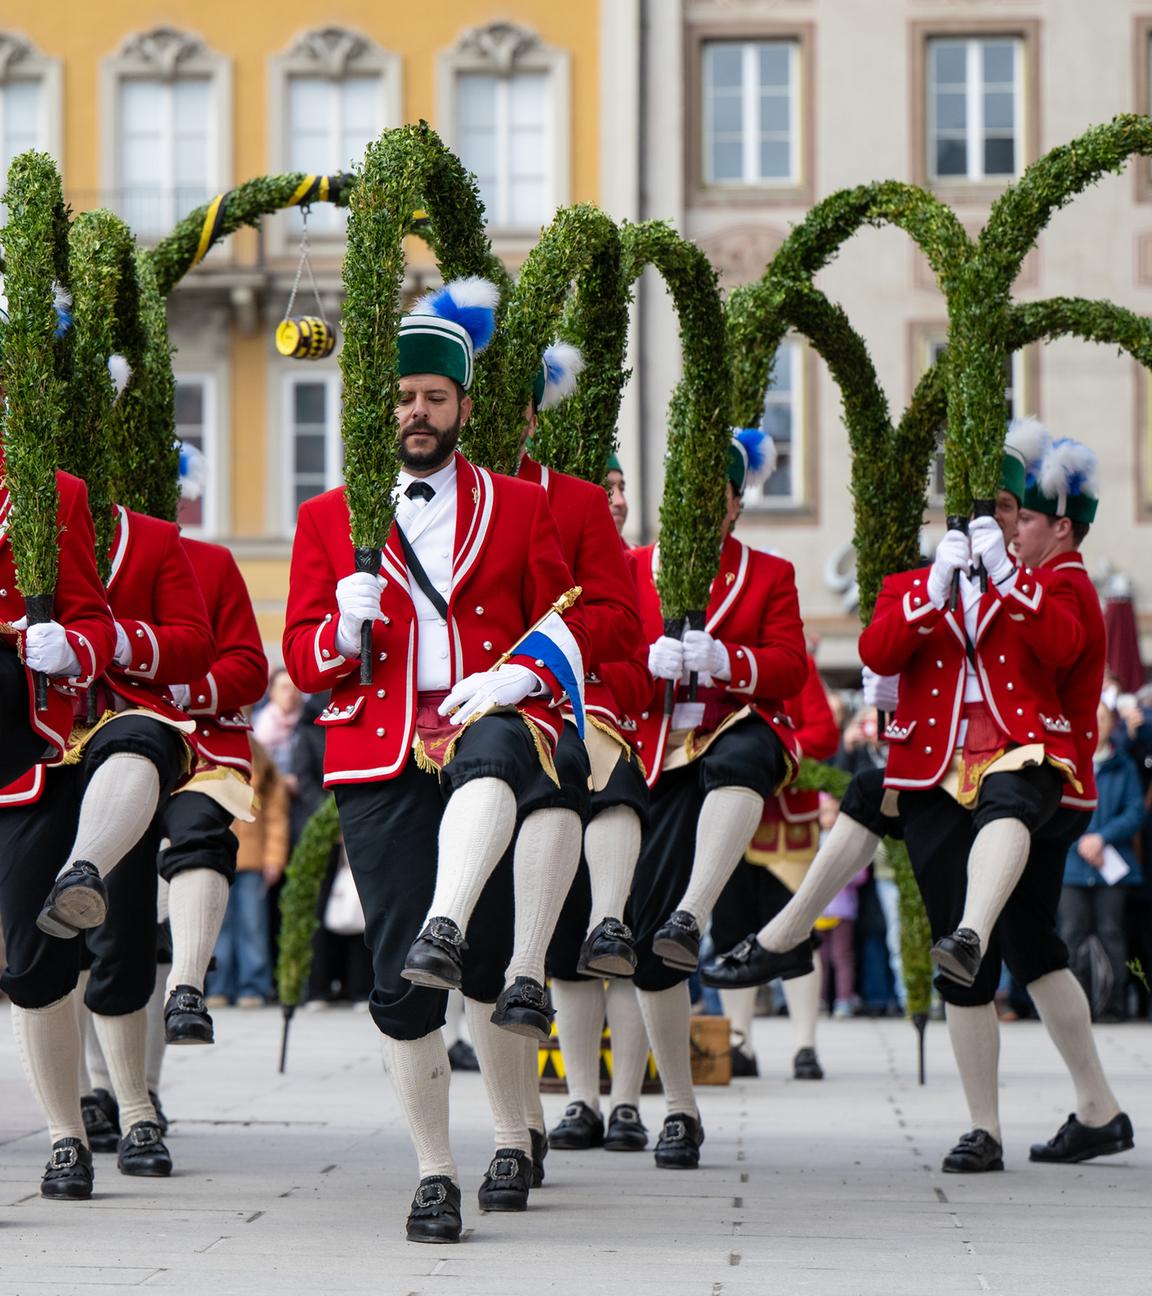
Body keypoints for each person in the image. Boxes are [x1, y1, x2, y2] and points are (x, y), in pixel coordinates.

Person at [282, 277, 588, 1243]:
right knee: (398, 977)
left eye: (436, 397)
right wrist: (341, 628)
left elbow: (571, 619)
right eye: (405, 397)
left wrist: (517, 679)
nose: (419, 412)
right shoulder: (329, 517)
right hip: (376, 750)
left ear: (464, 405)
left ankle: (509, 1137)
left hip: (485, 729)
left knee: (488, 957)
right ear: (387, 406)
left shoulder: (521, 508)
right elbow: (298, 657)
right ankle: (432, 1171)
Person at [1, 493, 214, 1199]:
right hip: (32, 759)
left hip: (125, 736)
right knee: (34, 963)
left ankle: (137, 1106)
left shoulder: (140, 533)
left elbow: (216, 653)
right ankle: (68, 1134)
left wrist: (100, 645)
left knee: (130, 929)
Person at [625, 428, 809, 1169]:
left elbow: (793, 666)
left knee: (742, 756)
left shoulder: (770, 573)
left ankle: (692, 915)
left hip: (736, 728)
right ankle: (678, 1106)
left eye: (716, 492)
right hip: (658, 751)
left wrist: (726, 659)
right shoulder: (633, 567)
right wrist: (645, 661)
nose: (700, 505)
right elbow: (605, 664)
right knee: (645, 945)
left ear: (736, 503)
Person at [710, 653, 839, 1080]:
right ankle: (738, 1041)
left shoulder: (793, 666)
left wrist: (768, 751)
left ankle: (805, 1044)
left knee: (796, 933)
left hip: (785, 825)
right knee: (730, 932)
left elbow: (823, 734)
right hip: (727, 822)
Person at [1058, 700, 1144, 1020]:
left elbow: (1135, 811)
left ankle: (1113, 1004)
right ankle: (1071, 1009)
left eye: (1103, 717)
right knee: (1070, 934)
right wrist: (1081, 839)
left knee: (1112, 933)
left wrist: (1102, 837)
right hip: (1071, 864)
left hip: (1112, 866)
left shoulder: (1124, 765)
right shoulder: (1067, 761)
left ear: (1112, 724)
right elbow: (1054, 806)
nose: (1097, 723)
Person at [207, 739, 289, 1007]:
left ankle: (253, 987)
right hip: (216, 857)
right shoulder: (210, 751)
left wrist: (274, 858)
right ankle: (218, 987)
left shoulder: (262, 761)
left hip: (253, 862)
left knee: (252, 927)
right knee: (218, 927)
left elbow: (276, 817)